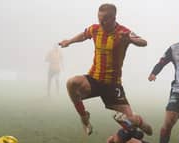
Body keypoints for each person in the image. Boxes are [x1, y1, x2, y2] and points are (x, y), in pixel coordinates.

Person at [59, 3, 151, 135]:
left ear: (113, 18)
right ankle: (84, 117)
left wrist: (132, 40)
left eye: (104, 19)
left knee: (131, 119)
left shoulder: (123, 32)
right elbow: (84, 35)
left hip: (112, 85)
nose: (101, 22)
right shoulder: (95, 29)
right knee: (71, 83)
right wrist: (69, 41)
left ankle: (140, 122)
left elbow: (143, 42)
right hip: (94, 79)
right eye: (99, 18)